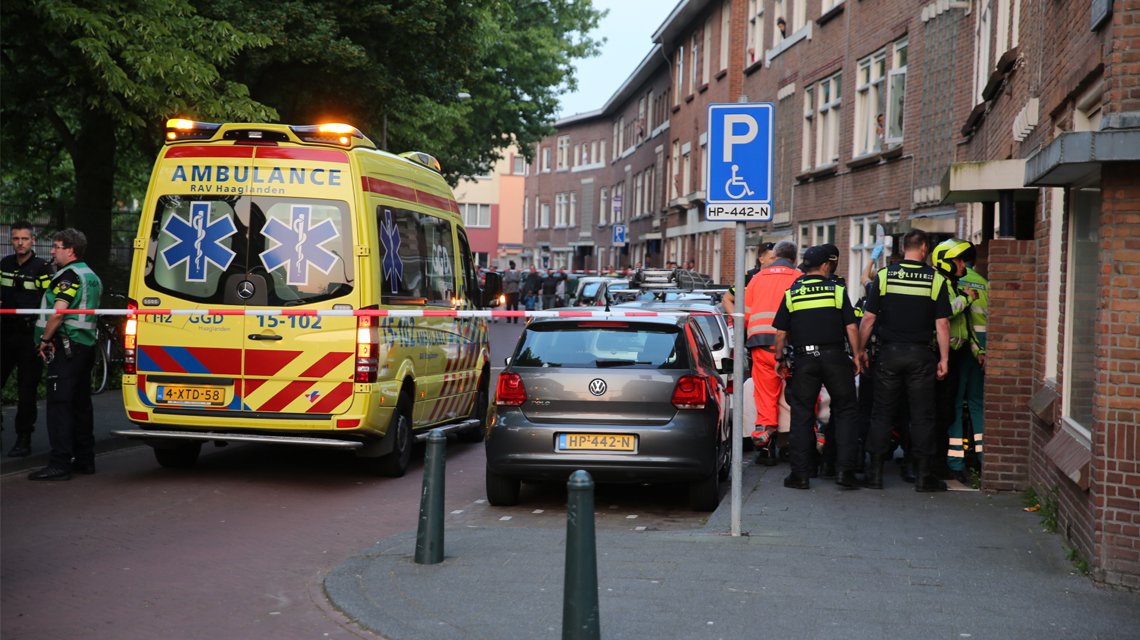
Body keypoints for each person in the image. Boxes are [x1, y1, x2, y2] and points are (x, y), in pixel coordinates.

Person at [858, 229, 951, 492]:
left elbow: (869, 318)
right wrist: (944, 359)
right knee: (922, 416)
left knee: (881, 413)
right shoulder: (935, 279)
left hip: (889, 354)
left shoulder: (885, 276)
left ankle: (874, 474)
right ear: (923, 247)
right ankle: (923, 477)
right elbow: (942, 323)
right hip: (921, 355)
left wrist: (860, 350)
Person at [772, 244, 863, 490]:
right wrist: (856, 356)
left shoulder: (792, 293)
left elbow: (781, 333)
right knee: (845, 410)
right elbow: (852, 327)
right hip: (834, 357)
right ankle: (845, 472)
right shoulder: (836, 290)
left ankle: (800, 475)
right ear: (825, 266)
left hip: (805, 359)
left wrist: (779, 360)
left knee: (802, 414)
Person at [27, 228, 103, 481]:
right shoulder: (91, 275)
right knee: (81, 405)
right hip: (85, 347)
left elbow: (59, 312)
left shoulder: (69, 275)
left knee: (59, 405)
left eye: (57, 247)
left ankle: (59, 463)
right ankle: (85, 459)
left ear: (70, 250)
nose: (52, 251)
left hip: (67, 348)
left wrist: (45, 339)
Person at [742, 240, 801, 463]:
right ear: (794, 259)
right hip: (790, 347)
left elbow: (747, 316)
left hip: (759, 344)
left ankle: (766, 441)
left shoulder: (757, 279)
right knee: (798, 396)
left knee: (766, 395)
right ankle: (798, 442)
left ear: (774, 256)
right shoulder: (798, 278)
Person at [1, 221, 54, 457]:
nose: (19, 243)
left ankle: (24, 438)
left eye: (24, 239)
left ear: (32, 240)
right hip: (5, 333)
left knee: (26, 390)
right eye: (15, 239)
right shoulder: (4, 264)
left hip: (29, 335)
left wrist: (43, 336)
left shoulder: (42, 268)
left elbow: (48, 300)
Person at [931, 238, 974, 480]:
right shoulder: (941, 283)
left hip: (955, 354)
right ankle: (938, 465)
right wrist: (967, 298)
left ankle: (941, 463)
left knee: (947, 410)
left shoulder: (951, 283)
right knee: (942, 411)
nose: (962, 264)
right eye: (957, 260)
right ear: (945, 263)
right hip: (942, 355)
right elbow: (945, 313)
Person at [947, 242, 988, 483]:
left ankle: (955, 461)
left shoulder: (953, 282)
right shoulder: (984, 283)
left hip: (961, 345)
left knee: (954, 404)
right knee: (977, 404)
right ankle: (984, 459)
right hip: (981, 349)